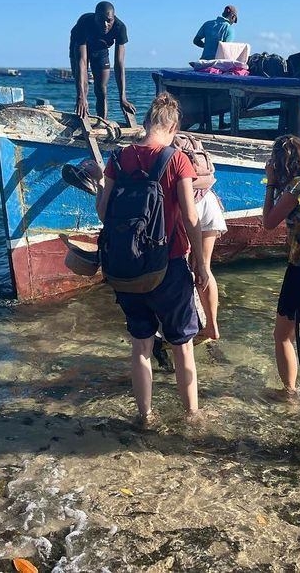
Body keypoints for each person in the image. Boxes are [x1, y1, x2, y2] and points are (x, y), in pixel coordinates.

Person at [95, 92, 212, 426]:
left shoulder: (117, 160)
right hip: (169, 264)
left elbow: (104, 212)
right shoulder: (177, 160)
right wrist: (200, 263)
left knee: (141, 346)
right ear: (173, 127)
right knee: (182, 345)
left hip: (126, 267)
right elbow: (191, 218)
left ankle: (145, 416)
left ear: (146, 123)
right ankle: (191, 416)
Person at [261, 135, 300, 397]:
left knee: (282, 334)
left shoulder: (298, 186)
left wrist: (271, 185)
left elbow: (269, 222)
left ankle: (289, 391)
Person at [70, 1, 137, 121]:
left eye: (109, 21)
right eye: (101, 20)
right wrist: (81, 96)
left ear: (113, 18)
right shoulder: (85, 22)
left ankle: (102, 122)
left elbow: (119, 64)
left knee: (101, 89)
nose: (105, 24)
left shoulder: (120, 27)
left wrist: (123, 98)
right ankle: (83, 119)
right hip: (80, 46)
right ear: (95, 17)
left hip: (101, 48)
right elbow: (82, 61)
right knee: (83, 89)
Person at [194, 188, 227, 340]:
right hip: (208, 199)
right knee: (204, 266)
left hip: (190, 202)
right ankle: (212, 325)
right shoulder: (202, 163)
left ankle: (186, 323)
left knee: (182, 264)